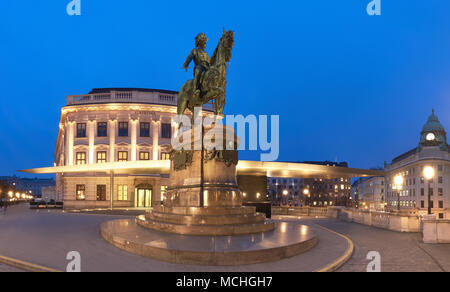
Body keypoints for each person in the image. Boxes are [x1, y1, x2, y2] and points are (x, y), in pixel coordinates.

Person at [183, 33, 210, 100]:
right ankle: (195, 90)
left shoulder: (206, 54)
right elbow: (189, 58)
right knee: (198, 74)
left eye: (205, 43)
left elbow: (209, 63)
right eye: (204, 42)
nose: (205, 44)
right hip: (199, 68)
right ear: (199, 43)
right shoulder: (195, 51)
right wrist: (186, 65)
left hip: (206, 69)